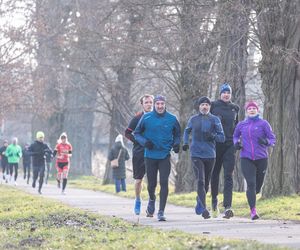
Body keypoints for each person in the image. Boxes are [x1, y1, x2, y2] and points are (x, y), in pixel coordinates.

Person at [134, 95, 181, 221]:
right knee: (152, 184)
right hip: (150, 155)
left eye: (162, 104)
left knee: (164, 182)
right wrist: (144, 142)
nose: (160, 106)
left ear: (165, 104)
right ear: (154, 105)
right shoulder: (146, 117)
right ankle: (152, 199)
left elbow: (177, 134)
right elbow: (136, 133)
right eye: (157, 104)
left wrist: (176, 144)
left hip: (164, 155)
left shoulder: (172, 118)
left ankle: (161, 212)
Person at [183, 96, 225, 219]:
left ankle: (199, 200)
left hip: (210, 154)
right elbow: (186, 131)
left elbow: (221, 137)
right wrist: (185, 143)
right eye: (202, 105)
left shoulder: (215, 119)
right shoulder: (193, 119)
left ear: (210, 107)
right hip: (196, 154)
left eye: (207, 105)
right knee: (200, 180)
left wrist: (213, 136)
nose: (205, 107)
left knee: (206, 182)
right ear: (199, 107)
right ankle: (204, 208)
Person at [233, 101, 276, 220]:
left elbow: (272, 138)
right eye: (249, 108)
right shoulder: (241, 125)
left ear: (257, 110)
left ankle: (253, 195)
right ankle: (253, 211)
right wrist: (236, 143)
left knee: (258, 186)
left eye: (254, 108)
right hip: (246, 157)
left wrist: (267, 142)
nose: (252, 110)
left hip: (262, 158)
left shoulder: (264, 124)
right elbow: (235, 136)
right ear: (246, 111)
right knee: (251, 184)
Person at [210, 83, 240, 218]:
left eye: (228, 92)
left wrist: (238, 141)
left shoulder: (235, 108)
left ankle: (228, 207)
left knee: (228, 176)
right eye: (224, 92)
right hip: (215, 145)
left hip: (229, 146)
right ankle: (214, 202)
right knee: (215, 174)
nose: (226, 94)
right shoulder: (213, 106)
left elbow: (237, 127)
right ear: (220, 94)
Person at [125, 94, 154, 215]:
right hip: (139, 152)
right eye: (146, 102)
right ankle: (137, 199)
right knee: (138, 180)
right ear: (142, 104)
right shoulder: (137, 118)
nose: (149, 104)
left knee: (152, 180)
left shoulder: (156, 117)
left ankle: (151, 204)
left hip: (153, 152)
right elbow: (127, 133)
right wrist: (139, 142)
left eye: (150, 102)